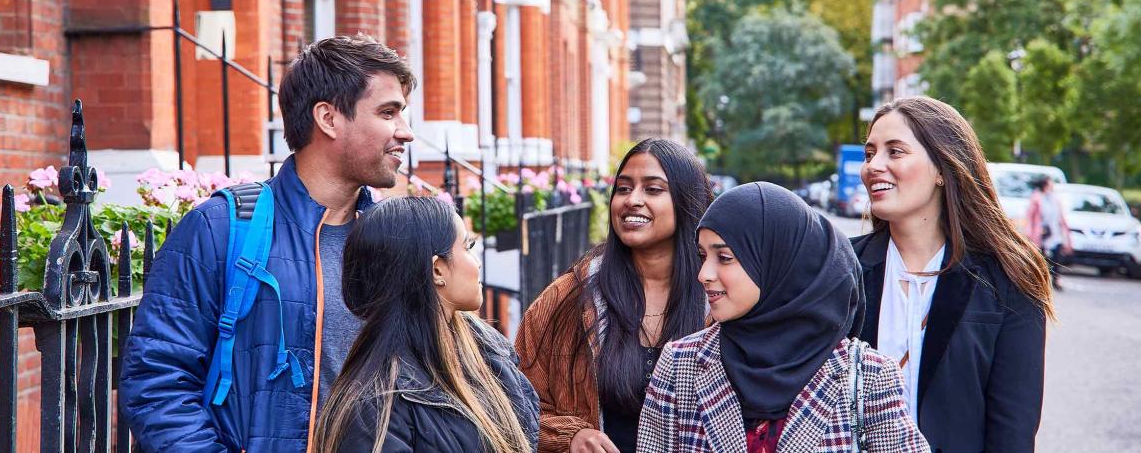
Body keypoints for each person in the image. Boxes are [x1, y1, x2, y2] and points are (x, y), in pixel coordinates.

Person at [120, 35, 415, 452]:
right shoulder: (220, 227)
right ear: (328, 119)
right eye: (389, 113)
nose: (407, 132)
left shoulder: (393, 236)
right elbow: (158, 380)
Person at [637, 182, 928, 453]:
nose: (704, 274)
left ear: (777, 262)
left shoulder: (868, 377)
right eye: (703, 256)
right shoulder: (680, 365)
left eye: (724, 258)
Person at [852, 96, 1052, 451]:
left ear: (943, 169)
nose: (873, 166)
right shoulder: (842, 268)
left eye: (894, 152)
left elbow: (1012, 429)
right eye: (870, 154)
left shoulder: (1008, 277)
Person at [515, 139, 714, 453]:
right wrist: (570, 436)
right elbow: (514, 400)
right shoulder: (569, 297)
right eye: (623, 188)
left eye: (653, 189)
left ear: (687, 202)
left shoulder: (717, 297)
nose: (632, 200)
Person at [313, 196, 539, 452]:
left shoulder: (487, 350)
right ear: (437, 270)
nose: (476, 262)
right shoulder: (374, 409)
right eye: (467, 247)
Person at [1026, 176, 1071, 291]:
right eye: (1050, 184)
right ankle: (1041, 280)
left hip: (1055, 233)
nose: (1052, 187)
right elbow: (1030, 217)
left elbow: (1061, 217)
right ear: (1045, 186)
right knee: (1042, 258)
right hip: (1041, 234)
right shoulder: (1037, 199)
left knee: (1057, 257)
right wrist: (1030, 233)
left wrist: (1067, 235)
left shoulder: (1055, 199)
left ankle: (1055, 279)